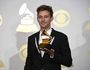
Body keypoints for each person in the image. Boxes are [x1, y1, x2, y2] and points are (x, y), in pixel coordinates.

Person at [24, 5, 72, 70]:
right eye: (40, 17)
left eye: (46, 17)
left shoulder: (61, 37)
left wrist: (52, 54)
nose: (43, 20)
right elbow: (29, 62)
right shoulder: (31, 38)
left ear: (51, 18)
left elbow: (68, 62)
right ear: (37, 19)